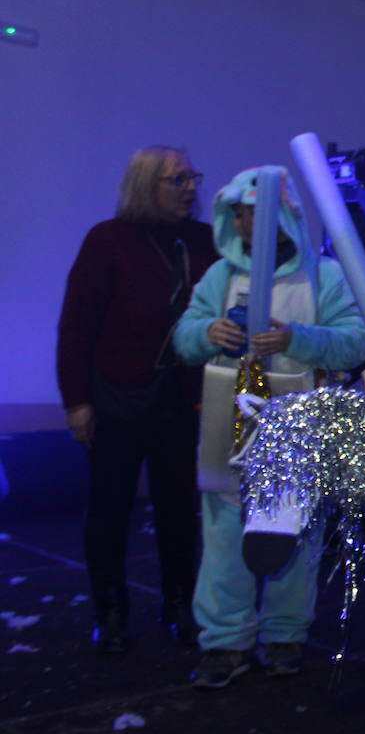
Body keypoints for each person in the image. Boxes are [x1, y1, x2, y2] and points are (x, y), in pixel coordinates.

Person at [173, 166, 365, 689]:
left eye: (253, 214)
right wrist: (206, 331)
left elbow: (354, 341)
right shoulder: (220, 277)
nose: (243, 224)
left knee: (295, 528)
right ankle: (224, 641)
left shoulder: (322, 275)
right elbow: (184, 337)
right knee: (223, 531)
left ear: (283, 216)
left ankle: (285, 633)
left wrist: (296, 339)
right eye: (236, 214)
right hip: (229, 416)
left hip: (300, 417)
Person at [57, 146, 217, 653]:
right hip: (115, 397)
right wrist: (77, 402)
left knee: (177, 509)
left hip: (181, 397)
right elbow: (76, 328)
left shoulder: (205, 241)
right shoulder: (107, 241)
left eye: (192, 177)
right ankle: (111, 611)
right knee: (109, 509)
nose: (191, 187)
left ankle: (179, 606)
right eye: (179, 179)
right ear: (147, 185)